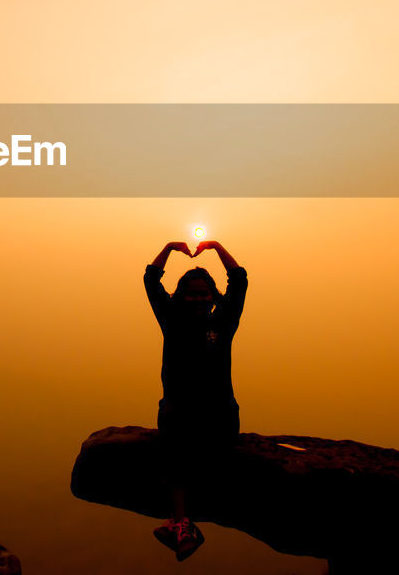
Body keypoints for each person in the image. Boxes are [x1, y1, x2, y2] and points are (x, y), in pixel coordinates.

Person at [144, 239, 247, 561]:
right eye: (192, 293)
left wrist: (217, 247)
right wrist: (169, 248)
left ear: (213, 296)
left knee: (191, 454)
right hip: (180, 408)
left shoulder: (223, 322)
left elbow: (240, 279)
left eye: (204, 293)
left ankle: (182, 523)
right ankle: (181, 523)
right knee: (177, 443)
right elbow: (150, 279)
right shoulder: (171, 322)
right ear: (180, 296)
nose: (198, 298)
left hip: (219, 410)